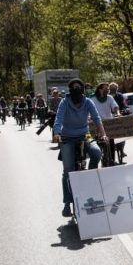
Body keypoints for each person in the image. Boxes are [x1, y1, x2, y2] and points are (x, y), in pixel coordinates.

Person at [52, 78, 108, 217]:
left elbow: (96, 119)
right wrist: (57, 133)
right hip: (67, 138)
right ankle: (67, 203)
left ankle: (89, 178)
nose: (77, 90)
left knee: (96, 153)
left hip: (85, 135)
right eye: (74, 87)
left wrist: (104, 135)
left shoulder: (88, 102)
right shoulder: (64, 102)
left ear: (83, 89)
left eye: (79, 87)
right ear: (70, 90)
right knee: (68, 171)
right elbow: (58, 119)